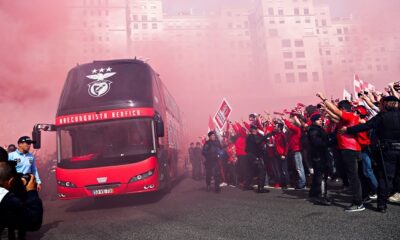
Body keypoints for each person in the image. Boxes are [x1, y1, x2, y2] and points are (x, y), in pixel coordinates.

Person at [342, 96, 400, 213]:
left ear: (386, 104)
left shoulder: (382, 116)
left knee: (385, 177)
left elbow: (366, 126)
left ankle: (382, 205)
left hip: (388, 151)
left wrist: (347, 130)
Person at [317, 94, 365, 212]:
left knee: (353, 177)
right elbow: (334, 116)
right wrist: (326, 109)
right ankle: (358, 200)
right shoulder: (346, 118)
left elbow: (336, 112)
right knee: (354, 177)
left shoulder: (349, 116)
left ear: (343, 109)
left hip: (350, 150)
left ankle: (358, 203)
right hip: (350, 149)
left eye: (340, 109)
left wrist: (324, 98)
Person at [0, 147, 43, 238]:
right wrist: (31, 192)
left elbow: (34, 169)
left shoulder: (30, 156)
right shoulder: (5, 196)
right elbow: (34, 221)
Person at [307, 114, 331, 205]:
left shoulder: (317, 129)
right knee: (321, 176)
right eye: (318, 120)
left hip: (320, 155)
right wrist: (329, 143)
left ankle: (314, 194)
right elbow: (317, 142)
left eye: (320, 119)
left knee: (319, 175)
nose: (320, 120)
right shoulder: (314, 129)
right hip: (319, 155)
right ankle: (321, 196)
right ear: (313, 121)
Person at [284, 115, 306, 189]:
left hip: (297, 151)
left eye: (292, 123)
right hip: (294, 151)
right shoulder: (292, 132)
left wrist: (285, 120)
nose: (291, 125)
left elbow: (290, 127)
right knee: (297, 168)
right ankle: (300, 182)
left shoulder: (297, 129)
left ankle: (302, 183)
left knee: (299, 168)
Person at [245, 125, 269, 193]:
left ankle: (247, 185)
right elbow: (257, 141)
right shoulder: (252, 136)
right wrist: (266, 136)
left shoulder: (249, 137)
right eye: (256, 130)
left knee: (251, 171)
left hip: (250, 156)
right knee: (262, 170)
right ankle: (260, 188)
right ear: (254, 130)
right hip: (253, 156)